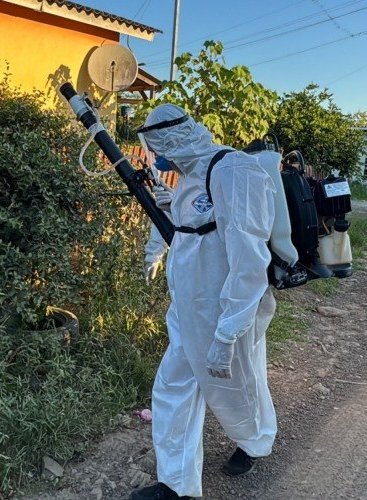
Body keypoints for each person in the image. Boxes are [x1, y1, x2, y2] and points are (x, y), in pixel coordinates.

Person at [132, 104, 278, 500]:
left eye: (155, 147)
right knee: (172, 385)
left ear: (171, 140)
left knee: (236, 388)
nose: (155, 157)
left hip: (227, 310)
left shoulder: (233, 172)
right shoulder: (189, 176)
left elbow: (250, 260)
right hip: (188, 308)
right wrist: (154, 252)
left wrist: (229, 332)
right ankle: (176, 486)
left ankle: (255, 442)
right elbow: (181, 225)